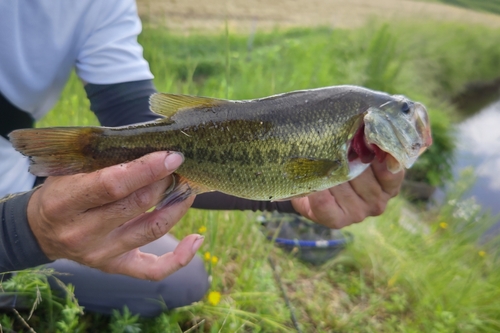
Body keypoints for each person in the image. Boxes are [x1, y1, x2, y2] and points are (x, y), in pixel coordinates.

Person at [0, 0, 404, 317]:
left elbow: (139, 124)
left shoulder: (98, 3)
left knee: (182, 280)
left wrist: (292, 194)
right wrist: (22, 233)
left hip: (12, 177)